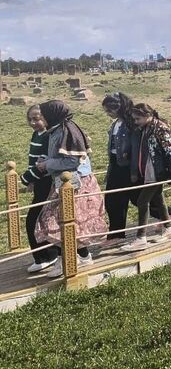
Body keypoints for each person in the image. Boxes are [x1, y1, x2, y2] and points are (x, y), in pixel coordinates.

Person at [34, 100, 107, 277]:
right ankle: (82, 255)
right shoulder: (58, 129)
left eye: (44, 114)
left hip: (76, 183)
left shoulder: (67, 130)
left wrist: (47, 164)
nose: (42, 118)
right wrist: (46, 160)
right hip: (63, 181)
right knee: (66, 221)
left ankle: (67, 258)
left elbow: (72, 160)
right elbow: (60, 154)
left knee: (61, 221)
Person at [101, 92, 167, 244]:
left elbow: (136, 146)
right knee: (123, 198)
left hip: (127, 165)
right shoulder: (116, 122)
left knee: (122, 198)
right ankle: (165, 215)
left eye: (109, 110)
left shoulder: (130, 122)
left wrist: (134, 171)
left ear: (118, 107)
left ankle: (117, 235)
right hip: (116, 164)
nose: (107, 114)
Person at [121, 103, 171, 251]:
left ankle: (141, 237)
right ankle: (169, 228)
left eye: (138, 119)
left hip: (157, 171)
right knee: (158, 199)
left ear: (147, 115)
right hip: (149, 170)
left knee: (142, 201)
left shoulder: (160, 128)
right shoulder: (147, 128)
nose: (136, 122)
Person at [19, 105, 58, 273]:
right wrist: (31, 181)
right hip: (38, 183)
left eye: (37, 118)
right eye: (30, 119)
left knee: (34, 220)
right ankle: (47, 254)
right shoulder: (36, 134)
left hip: (48, 182)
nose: (33, 122)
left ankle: (47, 256)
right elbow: (33, 160)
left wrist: (25, 179)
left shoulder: (49, 137)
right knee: (42, 220)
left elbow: (43, 164)